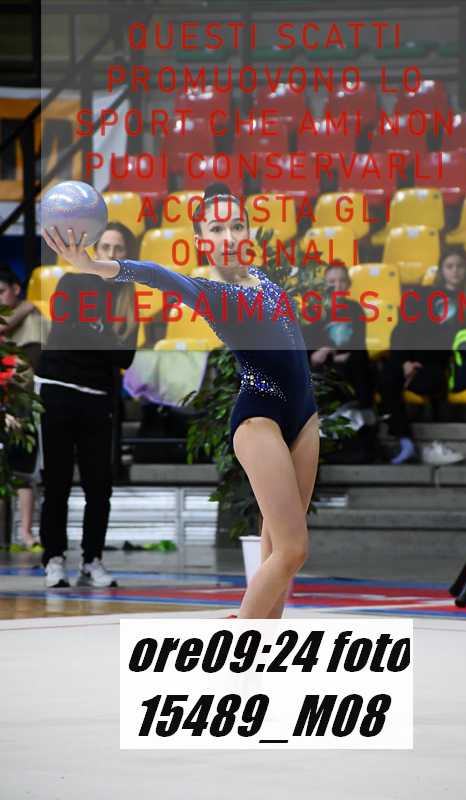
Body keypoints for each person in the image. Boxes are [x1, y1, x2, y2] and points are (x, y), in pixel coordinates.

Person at [43, 182, 319, 619]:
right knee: (293, 550)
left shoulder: (263, 277)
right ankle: (239, 642)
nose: (229, 236)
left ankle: (262, 641)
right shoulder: (211, 292)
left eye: (237, 226)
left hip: (304, 418)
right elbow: (155, 275)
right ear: (201, 240)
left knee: (276, 549)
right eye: (216, 229)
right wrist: (93, 265)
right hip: (260, 419)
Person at [35, 222, 138, 588]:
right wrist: (104, 336)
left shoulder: (128, 297)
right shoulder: (73, 282)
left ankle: (92, 559)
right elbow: (67, 332)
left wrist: (94, 329)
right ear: (96, 250)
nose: (111, 254)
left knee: (99, 486)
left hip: (99, 398)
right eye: (106, 247)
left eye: (119, 249)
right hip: (58, 390)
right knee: (57, 482)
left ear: (127, 255)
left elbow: (125, 356)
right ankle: (54, 558)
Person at [377, 246, 466, 465]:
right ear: (441, 270)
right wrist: (405, 362)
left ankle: (404, 439)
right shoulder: (425, 295)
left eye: (460, 266)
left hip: (439, 366)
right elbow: (404, 329)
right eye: (449, 266)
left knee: (395, 379)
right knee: (387, 374)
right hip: (411, 359)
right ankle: (405, 441)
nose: (455, 271)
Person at [305, 262, 377, 461]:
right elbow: (309, 351)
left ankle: (365, 412)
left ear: (348, 285)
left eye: (342, 281)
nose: (337, 286)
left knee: (361, 361)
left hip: (350, 365)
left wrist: (332, 352)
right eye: (332, 282)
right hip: (322, 367)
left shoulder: (355, 310)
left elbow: (359, 347)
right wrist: (326, 353)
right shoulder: (314, 311)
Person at [0, 265, 48, 548]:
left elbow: (30, 371)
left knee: (22, 471)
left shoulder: (35, 321)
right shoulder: (21, 312)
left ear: (16, 289)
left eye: (1, 292)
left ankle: (26, 534)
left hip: (22, 404)